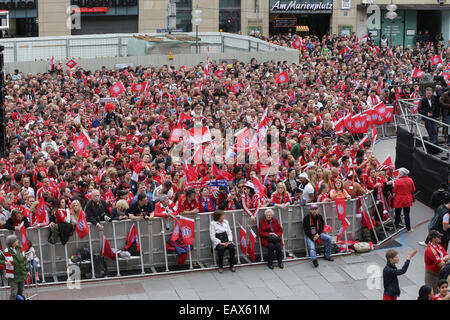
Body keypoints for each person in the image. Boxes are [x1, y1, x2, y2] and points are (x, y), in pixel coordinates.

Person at [303, 203, 334, 267]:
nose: (314, 211)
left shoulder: (319, 216)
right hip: (310, 235)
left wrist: (318, 234)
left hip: (318, 234)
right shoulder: (306, 218)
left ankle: (327, 255)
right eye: (313, 209)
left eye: (315, 209)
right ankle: (314, 260)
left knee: (328, 238)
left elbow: (322, 227)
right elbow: (306, 230)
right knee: (312, 247)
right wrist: (312, 237)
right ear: (310, 210)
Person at [0, 235, 29, 300]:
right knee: (13, 293)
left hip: (22, 274)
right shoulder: (6, 252)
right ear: (12, 242)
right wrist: (5, 263)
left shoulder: (20, 249)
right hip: (13, 276)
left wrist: (27, 269)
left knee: (20, 292)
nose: (18, 241)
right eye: (16, 240)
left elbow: (25, 259)